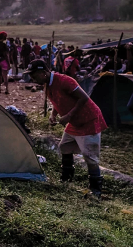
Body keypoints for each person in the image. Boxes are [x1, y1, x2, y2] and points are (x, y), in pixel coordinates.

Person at [26, 59, 107, 198]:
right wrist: (53, 114)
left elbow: (84, 98)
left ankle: (96, 190)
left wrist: (68, 116)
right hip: (75, 122)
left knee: (90, 156)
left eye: (34, 76)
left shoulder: (65, 81)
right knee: (65, 146)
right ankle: (66, 179)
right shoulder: (47, 84)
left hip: (88, 120)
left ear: (44, 73)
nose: (32, 79)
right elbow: (56, 101)